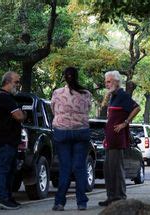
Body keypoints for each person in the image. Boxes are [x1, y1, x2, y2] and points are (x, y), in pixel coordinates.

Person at [51, 67, 92, 211]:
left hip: (62, 132)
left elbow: (53, 110)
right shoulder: (86, 93)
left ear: (64, 77)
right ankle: (81, 202)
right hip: (81, 132)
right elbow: (88, 109)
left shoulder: (57, 93)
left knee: (65, 168)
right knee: (80, 167)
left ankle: (60, 202)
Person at [98, 70, 141, 207]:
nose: (106, 84)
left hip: (118, 138)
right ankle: (111, 197)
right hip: (110, 138)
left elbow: (137, 108)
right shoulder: (112, 96)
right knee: (108, 169)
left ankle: (120, 197)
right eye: (106, 82)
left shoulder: (122, 95)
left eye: (109, 81)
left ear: (116, 82)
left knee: (117, 168)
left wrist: (125, 123)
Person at [0, 71, 26, 210]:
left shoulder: (8, 98)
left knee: (10, 170)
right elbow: (18, 116)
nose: (18, 85)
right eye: (16, 82)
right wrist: (24, 114)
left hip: (10, 141)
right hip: (4, 141)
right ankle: (2, 198)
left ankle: (8, 197)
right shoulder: (4, 98)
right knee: (4, 169)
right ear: (7, 82)